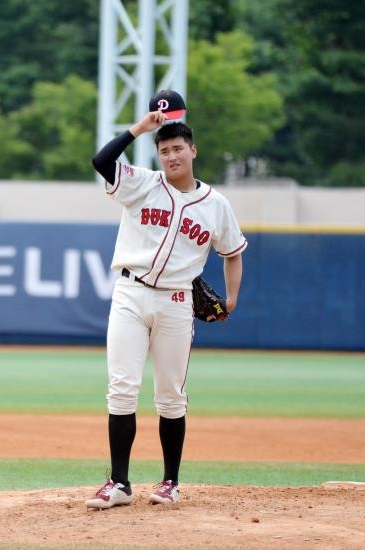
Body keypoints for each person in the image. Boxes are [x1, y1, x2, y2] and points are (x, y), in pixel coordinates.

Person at [85, 91, 246, 509]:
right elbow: (102, 162)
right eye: (164, 150)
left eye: (178, 148)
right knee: (122, 388)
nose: (171, 156)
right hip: (129, 293)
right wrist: (140, 128)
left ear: (193, 150)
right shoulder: (142, 183)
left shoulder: (216, 205)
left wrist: (230, 300)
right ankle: (119, 483)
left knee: (171, 395)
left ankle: (170, 481)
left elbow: (233, 254)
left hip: (176, 302)